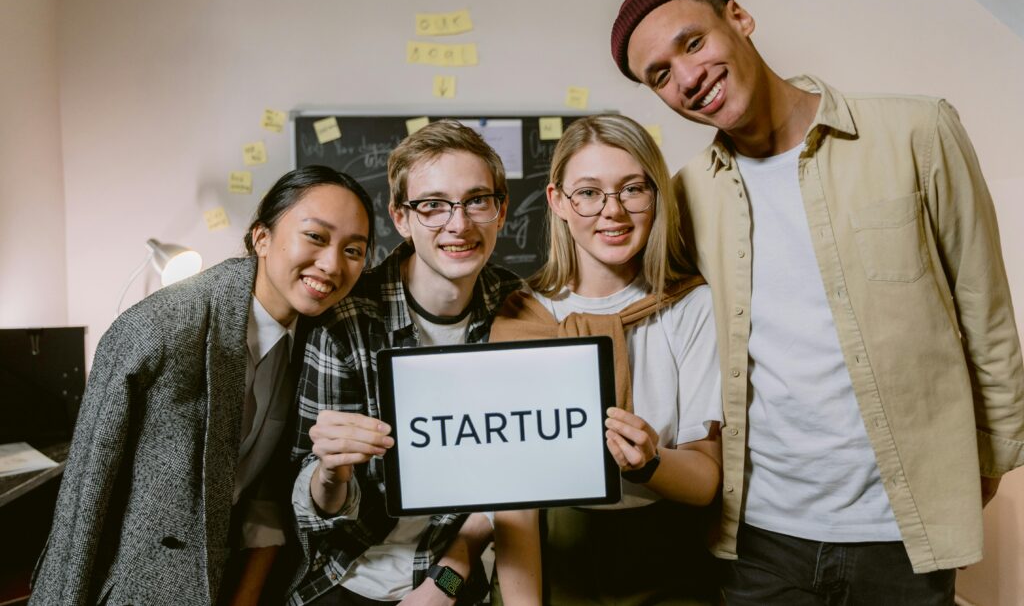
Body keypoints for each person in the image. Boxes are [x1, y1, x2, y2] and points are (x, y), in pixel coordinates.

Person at [610, 0, 1024, 604]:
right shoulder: (689, 194)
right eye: (660, 75)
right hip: (759, 540)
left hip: (903, 533)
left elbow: (986, 312)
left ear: (740, 18)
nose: (688, 78)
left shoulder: (917, 132)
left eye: (692, 43)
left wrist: (989, 464)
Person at [30, 166, 375, 606]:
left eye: (353, 250)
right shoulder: (159, 328)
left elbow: (265, 494)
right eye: (316, 237)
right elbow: (83, 505)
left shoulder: (318, 341)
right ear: (261, 238)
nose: (332, 264)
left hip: (229, 578)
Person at [488, 114, 722, 605]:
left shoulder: (689, 306)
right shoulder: (523, 314)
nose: (612, 211)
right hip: (555, 554)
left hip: (667, 554)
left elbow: (705, 480)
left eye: (632, 189)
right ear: (558, 203)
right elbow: (515, 494)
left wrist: (650, 462)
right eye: (589, 193)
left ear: (656, 196)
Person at [288, 119, 523, 606]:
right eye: (433, 205)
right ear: (401, 217)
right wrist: (330, 473)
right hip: (345, 573)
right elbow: (312, 507)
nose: (458, 225)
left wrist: (447, 580)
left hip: (456, 570)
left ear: (500, 212)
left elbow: (518, 481)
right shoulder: (345, 322)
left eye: (477, 200)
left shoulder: (519, 311)